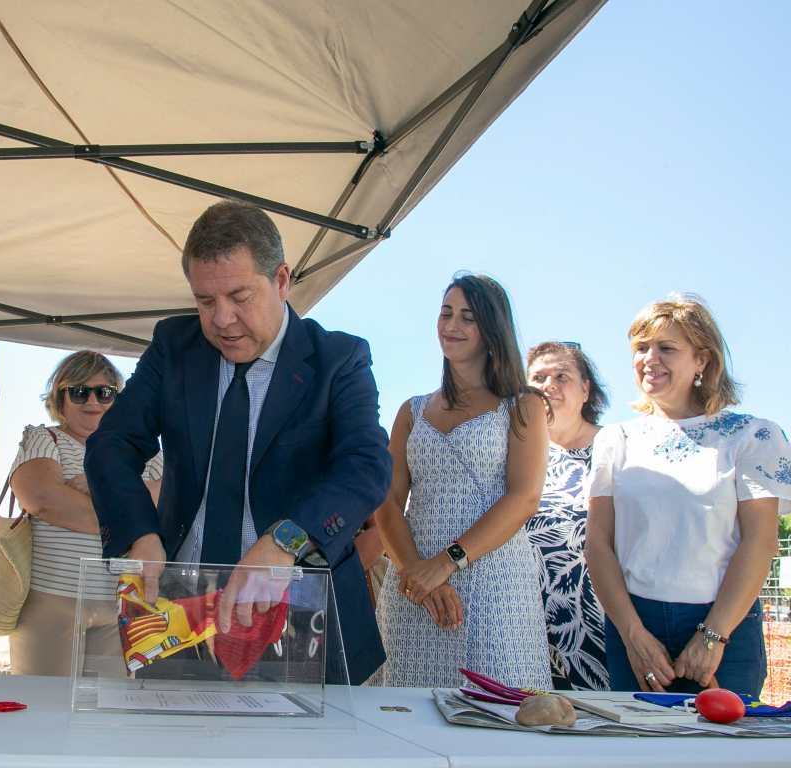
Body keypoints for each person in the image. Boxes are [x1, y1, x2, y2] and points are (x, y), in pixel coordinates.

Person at [85, 200, 392, 686]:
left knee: (308, 764)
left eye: (239, 296)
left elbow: (366, 465)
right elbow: (111, 446)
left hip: (302, 616)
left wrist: (284, 541)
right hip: (182, 619)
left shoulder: (339, 358)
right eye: (205, 302)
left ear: (282, 280)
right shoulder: (174, 347)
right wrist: (138, 534)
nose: (222, 319)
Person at [586, 295, 788, 696]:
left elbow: (761, 541)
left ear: (703, 360)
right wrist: (633, 637)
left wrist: (713, 636)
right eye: (641, 348)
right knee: (640, 755)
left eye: (666, 348)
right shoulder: (615, 439)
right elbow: (598, 544)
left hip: (725, 631)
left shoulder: (755, 436)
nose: (649, 359)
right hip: (634, 628)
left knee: (720, 757)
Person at [369, 273, 551, 689]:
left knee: (496, 715)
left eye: (467, 317)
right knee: (404, 716)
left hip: (494, 588)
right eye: (446, 313)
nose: (451, 326)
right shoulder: (411, 411)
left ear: (491, 330)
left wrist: (445, 562)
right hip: (413, 589)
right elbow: (388, 503)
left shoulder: (523, 406)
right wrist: (416, 571)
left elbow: (524, 498)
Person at [8, 350, 162, 680]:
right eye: (79, 391)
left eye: (105, 392)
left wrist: (90, 487)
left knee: (106, 716)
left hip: (123, 605)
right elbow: (42, 499)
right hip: (51, 602)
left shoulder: (148, 455)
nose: (93, 401)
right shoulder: (43, 438)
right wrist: (129, 507)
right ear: (59, 398)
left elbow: (170, 507)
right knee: (42, 710)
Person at [524, 341, 610, 691]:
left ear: (586, 389)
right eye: (539, 378)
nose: (549, 386)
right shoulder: (513, 453)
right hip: (525, 626)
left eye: (563, 376)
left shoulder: (616, 447)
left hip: (602, 623)